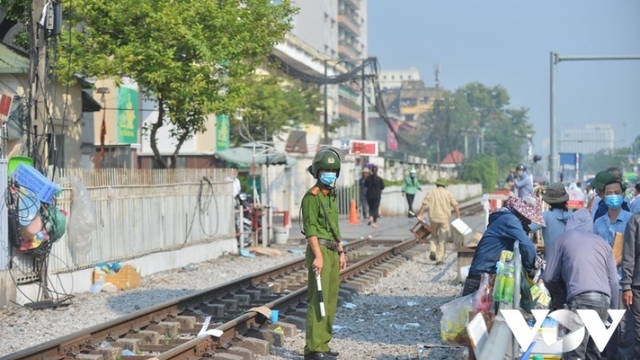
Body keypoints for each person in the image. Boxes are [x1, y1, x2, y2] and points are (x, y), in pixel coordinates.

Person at [542, 208, 619, 360]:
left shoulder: (562, 238)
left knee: (574, 353)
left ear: (570, 223)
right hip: (603, 301)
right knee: (593, 353)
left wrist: (559, 298)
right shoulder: (603, 244)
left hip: (580, 299)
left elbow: (549, 277)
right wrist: (613, 312)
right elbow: (614, 282)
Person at [300, 148, 347, 360]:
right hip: (318, 250)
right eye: (326, 170)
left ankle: (324, 344)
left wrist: (341, 250)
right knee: (318, 299)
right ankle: (313, 349)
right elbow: (311, 230)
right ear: (318, 172)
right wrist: (318, 256)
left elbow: (334, 227)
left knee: (330, 300)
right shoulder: (312, 197)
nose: (330, 173)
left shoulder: (332, 196)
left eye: (333, 170)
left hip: (332, 251)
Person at [463, 195, 544, 296]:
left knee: (482, 309)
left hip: (486, 270)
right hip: (483, 273)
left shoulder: (507, 217)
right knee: (474, 309)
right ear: (522, 213)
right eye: (529, 218)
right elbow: (526, 244)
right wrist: (530, 268)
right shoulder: (510, 220)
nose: (530, 221)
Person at [592, 178, 634, 360]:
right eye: (609, 193)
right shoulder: (598, 223)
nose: (613, 196)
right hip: (602, 284)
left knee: (624, 327)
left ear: (623, 195)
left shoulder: (631, 221)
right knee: (604, 327)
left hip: (623, 282)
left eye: (616, 192)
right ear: (603, 196)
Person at [416, 178, 460, 265]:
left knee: (433, 236)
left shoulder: (431, 192)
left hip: (433, 219)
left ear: (436, 184)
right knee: (443, 239)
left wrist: (420, 214)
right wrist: (458, 217)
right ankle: (439, 259)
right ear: (444, 185)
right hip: (444, 219)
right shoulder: (448, 193)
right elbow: (456, 205)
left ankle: (432, 250)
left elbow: (424, 203)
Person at [530, 182, 572, 260]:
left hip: (552, 263)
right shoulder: (572, 215)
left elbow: (528, 227)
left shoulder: (546, 216)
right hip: (570, 261)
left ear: (549, 201)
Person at [621, 213, 640, 359]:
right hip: (637, 286)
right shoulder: (636, 220)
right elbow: (629, 254)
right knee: (638, 332)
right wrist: (627, 285)